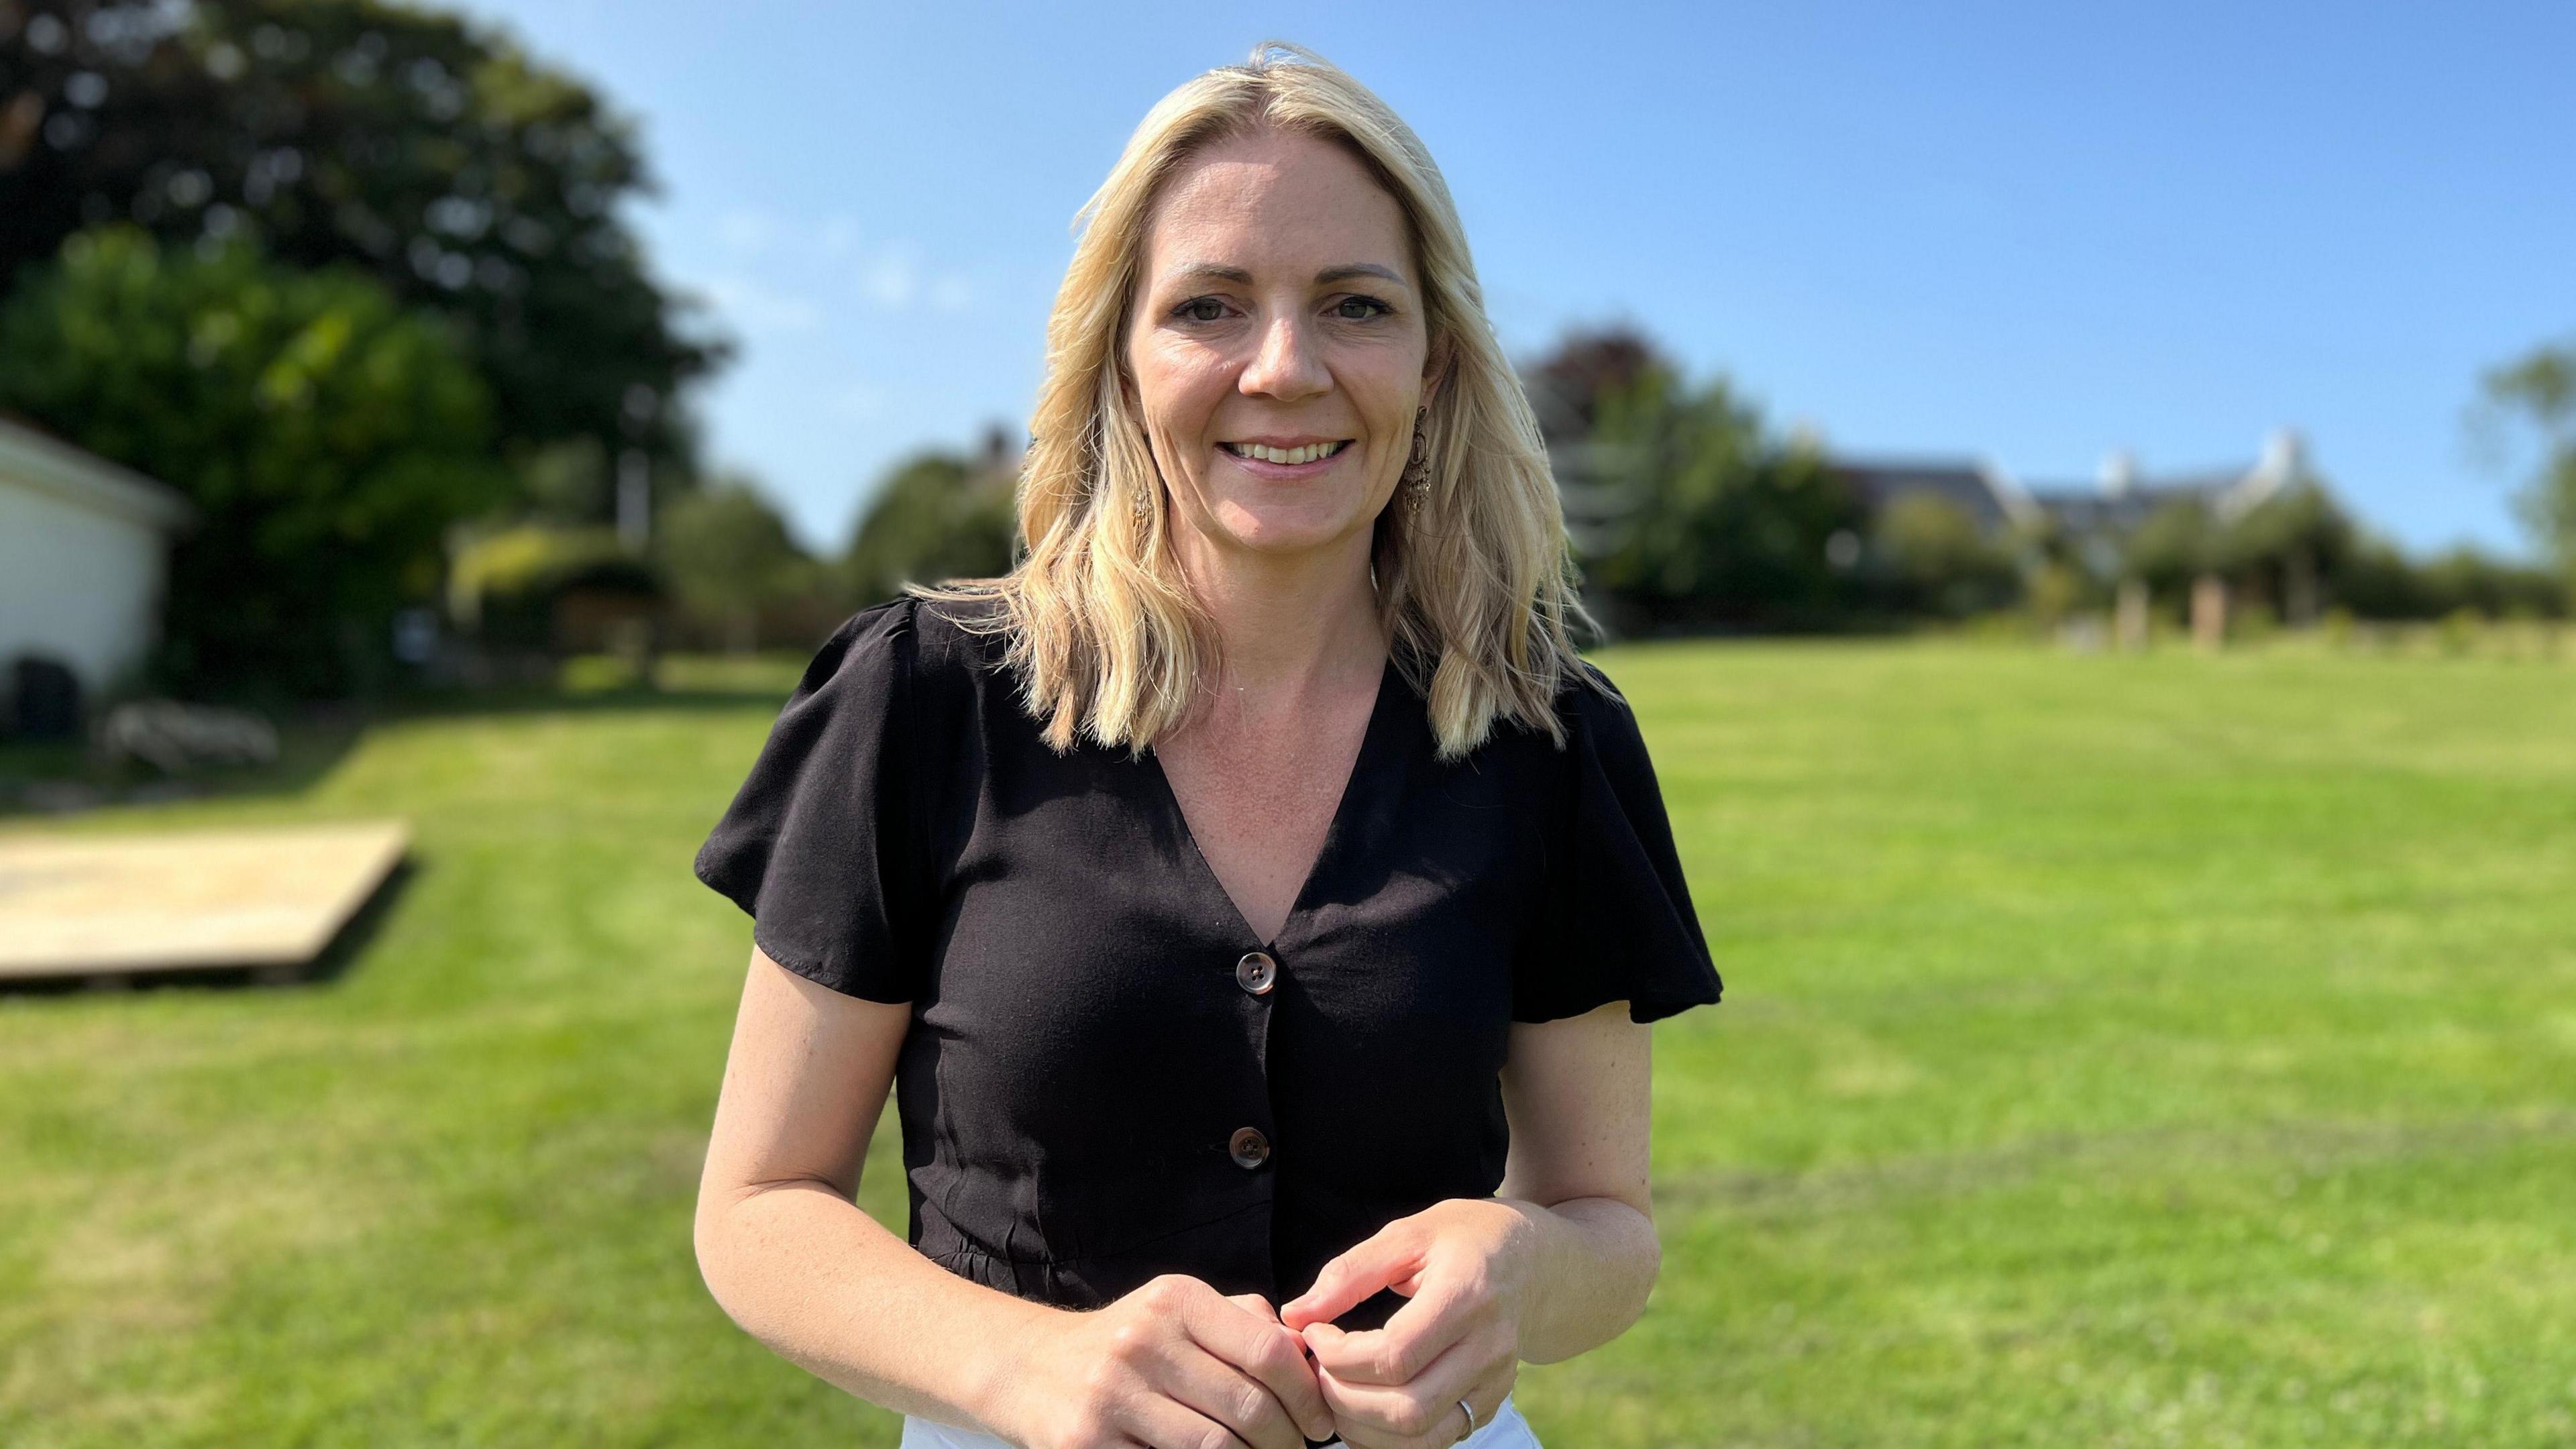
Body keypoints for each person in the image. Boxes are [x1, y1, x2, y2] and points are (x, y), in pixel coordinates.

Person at [690, 40, 1721, 1449]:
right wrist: (1025, 1367)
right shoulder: (927, 698)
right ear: (1123, 356)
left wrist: (1526, 1271)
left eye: (1355, 305)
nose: (1283, 370)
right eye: (1210, 307)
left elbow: (1612, 1227)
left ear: (1434, 359)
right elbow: (758, 1210)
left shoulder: (1550, 739)